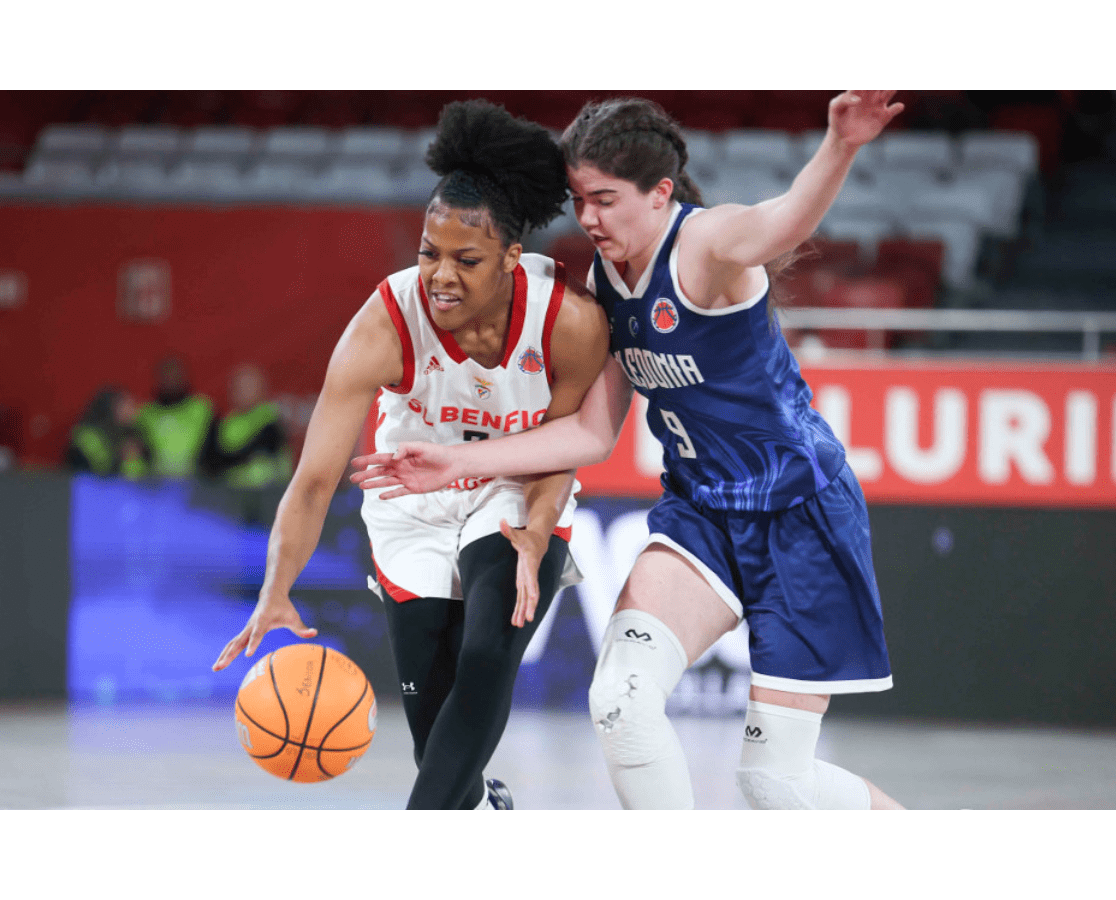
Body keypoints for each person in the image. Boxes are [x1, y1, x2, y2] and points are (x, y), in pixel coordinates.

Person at [351, 91, 907, 810]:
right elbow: (590, 432)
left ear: (661, 194)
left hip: (798, 517)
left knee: (775, 782)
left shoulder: (706, 247)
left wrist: (841, 144)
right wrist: (456, 460)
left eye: (606, 200)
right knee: (620, 701)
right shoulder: (609, 280)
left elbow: (782, 221)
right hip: (703, 514)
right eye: (580, 200)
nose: (588, 218)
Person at [212, 99, 610, 811]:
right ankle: (482, 810)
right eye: (429, 252)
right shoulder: (383, 325)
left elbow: (562, 448)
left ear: (512, 259)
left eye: (467, 259)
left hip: (514, 492)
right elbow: (311, 484)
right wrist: (275, 591)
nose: (440, 275)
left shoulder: (570, 322)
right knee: (438, 742)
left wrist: (537, 530)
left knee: (490, 651)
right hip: (411, 505)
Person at [201, 363, 293, 488]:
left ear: (262, 388)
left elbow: (264, 444)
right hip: (233, 494)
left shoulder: (272, 416)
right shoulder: (225, 423)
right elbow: (210, 462)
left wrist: (227, 460)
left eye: (249, 386)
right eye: (239, 387)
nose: (243, 391)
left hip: (269, 493)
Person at [136, 354, 215, 478]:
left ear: (185, 377)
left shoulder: (202, 407)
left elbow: (215, 446)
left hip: (196, 482)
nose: (171, 379)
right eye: (166, 375)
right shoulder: (145, 413)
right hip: (156, 483)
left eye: (176, 375)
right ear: (158, 379)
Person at [65, 386, 151, 479]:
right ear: (112, 408)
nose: (134, 410)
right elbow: (101, 470)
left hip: (124, 491)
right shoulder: (86, 435)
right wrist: (122, 457)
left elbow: (140, 475)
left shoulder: (133, 435)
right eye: (128, 405)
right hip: (87, 488)